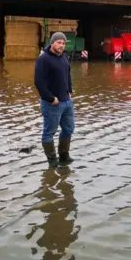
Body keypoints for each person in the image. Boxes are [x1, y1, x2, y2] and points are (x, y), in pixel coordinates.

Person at [34, 32, 75, 167]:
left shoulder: (64, 57)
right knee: (49, 133)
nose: (61, 45)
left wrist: (69, 90)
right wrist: (50, 98)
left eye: (63, 43)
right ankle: (52, 161)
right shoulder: (43, 59)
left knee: (69, 129)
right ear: (52, 43)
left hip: (66, 101)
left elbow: (67, 74)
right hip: (52, 103)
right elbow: (39, 82)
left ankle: (64, 156)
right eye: (58, 42)